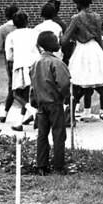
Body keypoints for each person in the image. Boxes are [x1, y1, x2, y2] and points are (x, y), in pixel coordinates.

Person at [60, 0, 103, 129]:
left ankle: (70, 117)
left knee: (77, 83)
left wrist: (59, 41)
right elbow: (98, 36)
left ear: (78, 3)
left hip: (82, 49)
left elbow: (65, 39)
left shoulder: (76, 18)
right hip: (95, 49)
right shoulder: (97, 17)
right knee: (99, 86)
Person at [29, 31, 71, 175]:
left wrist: (34, 101)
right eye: (56, 40)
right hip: (55, 104)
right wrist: (65, 97)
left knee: (42, 135)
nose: (58, 42)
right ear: (53, 44)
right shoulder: (57, 63)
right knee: (58, 134)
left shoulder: (35, 64)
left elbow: (33, 86)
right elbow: (64, 83)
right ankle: (58, 166)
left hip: (41, 105)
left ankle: (42, 165)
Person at [5, 11, 38, 132]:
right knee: (28, 93)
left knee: (16, 94)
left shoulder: (11, 36)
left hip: (20, 65)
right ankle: (19, 121)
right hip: (34, 64)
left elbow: (9, 56)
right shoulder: (34, 32)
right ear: (27, 21)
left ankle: (34, 111)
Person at [0, 4, 19, 123]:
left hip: (10, 60)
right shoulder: (22, 26)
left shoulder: (3, 29)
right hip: (25, 59)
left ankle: (5, 113)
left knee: (12, 86)